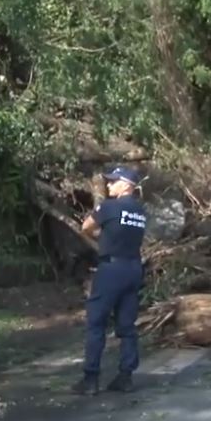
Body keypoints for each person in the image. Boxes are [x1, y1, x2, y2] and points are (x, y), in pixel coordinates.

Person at [72, 166, 148, 396]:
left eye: (114, 181)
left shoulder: (108, 207)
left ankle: (91, 379)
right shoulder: (141, 212)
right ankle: (125, 377)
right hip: (134, 268)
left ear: (126, 185)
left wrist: (100, 236)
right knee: (127, 325)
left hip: (111, 269)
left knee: (97, 323)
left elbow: (86, 228)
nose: (109, 185)